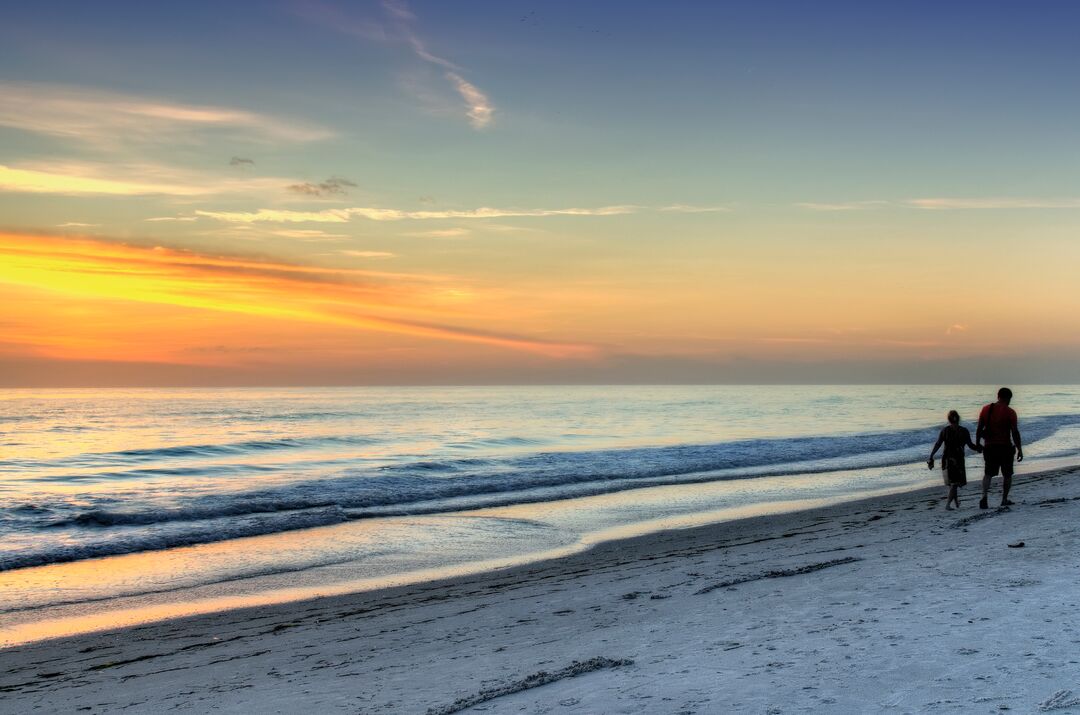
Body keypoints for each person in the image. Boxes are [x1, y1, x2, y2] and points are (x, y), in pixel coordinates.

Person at [975, 387, 1023, 509]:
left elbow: (979, 429)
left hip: (989, 447)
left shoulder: (986, 409)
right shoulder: (1010, 412)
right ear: (1008, 398)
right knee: (1007, 474)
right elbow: (1014, 432)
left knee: (988, 474)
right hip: (1005, 447)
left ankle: (984, 497)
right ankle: (1004, 499)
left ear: (998, 396)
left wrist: (977, 444)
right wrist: (1019, 449)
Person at [928, 410, 980, 509]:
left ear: (949, 419)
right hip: (958, 460)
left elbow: (938, 444)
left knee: (953, 483)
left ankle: (956, 503)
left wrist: (931, 456)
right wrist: (979, 448)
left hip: (947, 459)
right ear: (958, 418)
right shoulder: (964, 431)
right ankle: (948, 505)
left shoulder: (945, 430)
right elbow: (970, 445)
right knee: (954, 483)